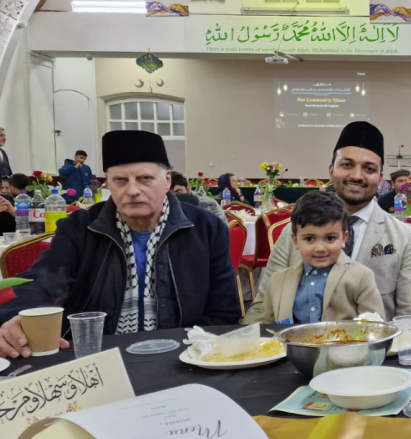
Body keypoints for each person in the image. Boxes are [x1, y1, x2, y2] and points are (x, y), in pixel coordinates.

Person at [0, 130, 241, 357]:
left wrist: (192, 352)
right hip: (96, 358)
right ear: (108, 184)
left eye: (145, 178)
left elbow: (223, 312)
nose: (133, 190)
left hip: (183, 355)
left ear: (167, 180)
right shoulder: (80, 228)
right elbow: (42, 280)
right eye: (120, 180)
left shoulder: (206, 229)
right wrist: (13, 318)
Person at [249, 121, 411, 321]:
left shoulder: (405, 239)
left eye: (369, 169)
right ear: (331, 171)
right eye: (347, 165)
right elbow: (261, 308)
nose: (356, 175)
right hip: (295, 349)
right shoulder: (293, 232)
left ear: (380, 180)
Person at [242, 192, 383, 325]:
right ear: (295, 241)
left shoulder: (361, 277)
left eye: (330, 238)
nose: (320, 248)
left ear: (343, 239)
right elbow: (266, 329)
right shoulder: (278, 281)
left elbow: (375, 326)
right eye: (309, 239)